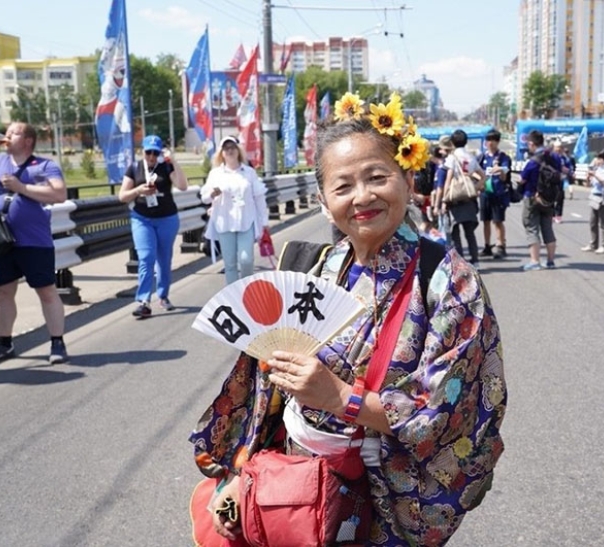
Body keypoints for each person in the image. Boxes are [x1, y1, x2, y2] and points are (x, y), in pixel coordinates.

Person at [189, 92, 507, 545]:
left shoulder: (449, 283)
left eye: (377, 177)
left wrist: (342, 398)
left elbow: (446, 412)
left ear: (407, 176)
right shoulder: (313, 268)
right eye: (342, 186)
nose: (363, 197)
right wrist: (243, 477)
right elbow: (268, 396)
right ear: (322, 199)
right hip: (294, 485)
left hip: (383, 495)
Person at [0, 122, 69, 365]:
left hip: (35, 242)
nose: (7, 135)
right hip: (1, 241)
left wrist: (21, 187)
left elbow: (59, 195)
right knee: (3, 294)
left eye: (13, 132)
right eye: (6, 132)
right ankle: (4, 343)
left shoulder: (44, 165)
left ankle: (57, 342)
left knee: (46, 292)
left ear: (28, 140)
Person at [118, 135, 187, 318]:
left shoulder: (166, 166)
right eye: (148, 152)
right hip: (142, 218)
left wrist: (174, 160)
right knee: (146, 257)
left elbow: (182, 186)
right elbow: (122, 196)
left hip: (167, 218)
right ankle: (143, 301)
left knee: (164, 259)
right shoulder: (134, 168)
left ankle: (163, 296)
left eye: (155, 153)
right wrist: (138, 191)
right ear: (142, 151)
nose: (151, 156)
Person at [199, 135, 268, 285]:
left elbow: (259, 197)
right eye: (226, 148)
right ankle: (233, 297)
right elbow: (204, 197)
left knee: (246, 259)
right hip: (225, 223)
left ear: (238, 150)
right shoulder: (216, 174)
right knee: (230, 264)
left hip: (246, 221)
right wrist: (212, 194)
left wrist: (264, 222)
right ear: (221, 153)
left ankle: (247, 289)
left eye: (232, 147)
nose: (230, 151)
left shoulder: (248, 172)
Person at [442, 129, 486, 267]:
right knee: (469, 233)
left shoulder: (452, 157)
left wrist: (444, 199)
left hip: (455, 199)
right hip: (468, 198)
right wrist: (476, 187)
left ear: (453, 142)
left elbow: (448, 179)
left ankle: (460, 262)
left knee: (455, 233)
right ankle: (475, 260)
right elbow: (483, 175)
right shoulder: (471, 157)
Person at [518, 129, 560, 270]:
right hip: (549, 198)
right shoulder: (554, 157)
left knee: (532, 228)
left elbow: (523, 179)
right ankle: (550, 261)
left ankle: (535, 261)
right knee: (547, 228)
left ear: (532, 143)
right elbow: (560, 173)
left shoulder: (533, 161)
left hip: (532, 197)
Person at [478, 129, 512, 259]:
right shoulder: (482, 157)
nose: (490, 143)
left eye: (494, 140)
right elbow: (475, 171)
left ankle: (501, 245)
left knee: (498, 221)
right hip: (485, 193)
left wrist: (500, 170)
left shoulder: (503, 157)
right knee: (485, 221)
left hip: (498, 194)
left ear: (498, 142)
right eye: (488, 140)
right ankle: (487, 245)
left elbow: (504, 176)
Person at [581, 149, 604, 254]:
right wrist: (588, 177)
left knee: (603, 223)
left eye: (599, 158)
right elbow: (591, 184)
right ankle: (593, 244)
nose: (597, 161)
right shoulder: (599, 168)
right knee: (592, 222)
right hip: (594, 196)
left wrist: (595, 174)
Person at [552, 140, 572, 223]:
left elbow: (569, 167)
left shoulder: (564, 158)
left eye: (560, 147)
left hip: (560, 180)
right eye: (557, 147)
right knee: (551, 198)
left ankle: (558, 215)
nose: (558, 149)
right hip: (551, 180)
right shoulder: (550, 156)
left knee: (560, 198)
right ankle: (551, 215)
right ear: (554, 148)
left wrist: (568, 171)